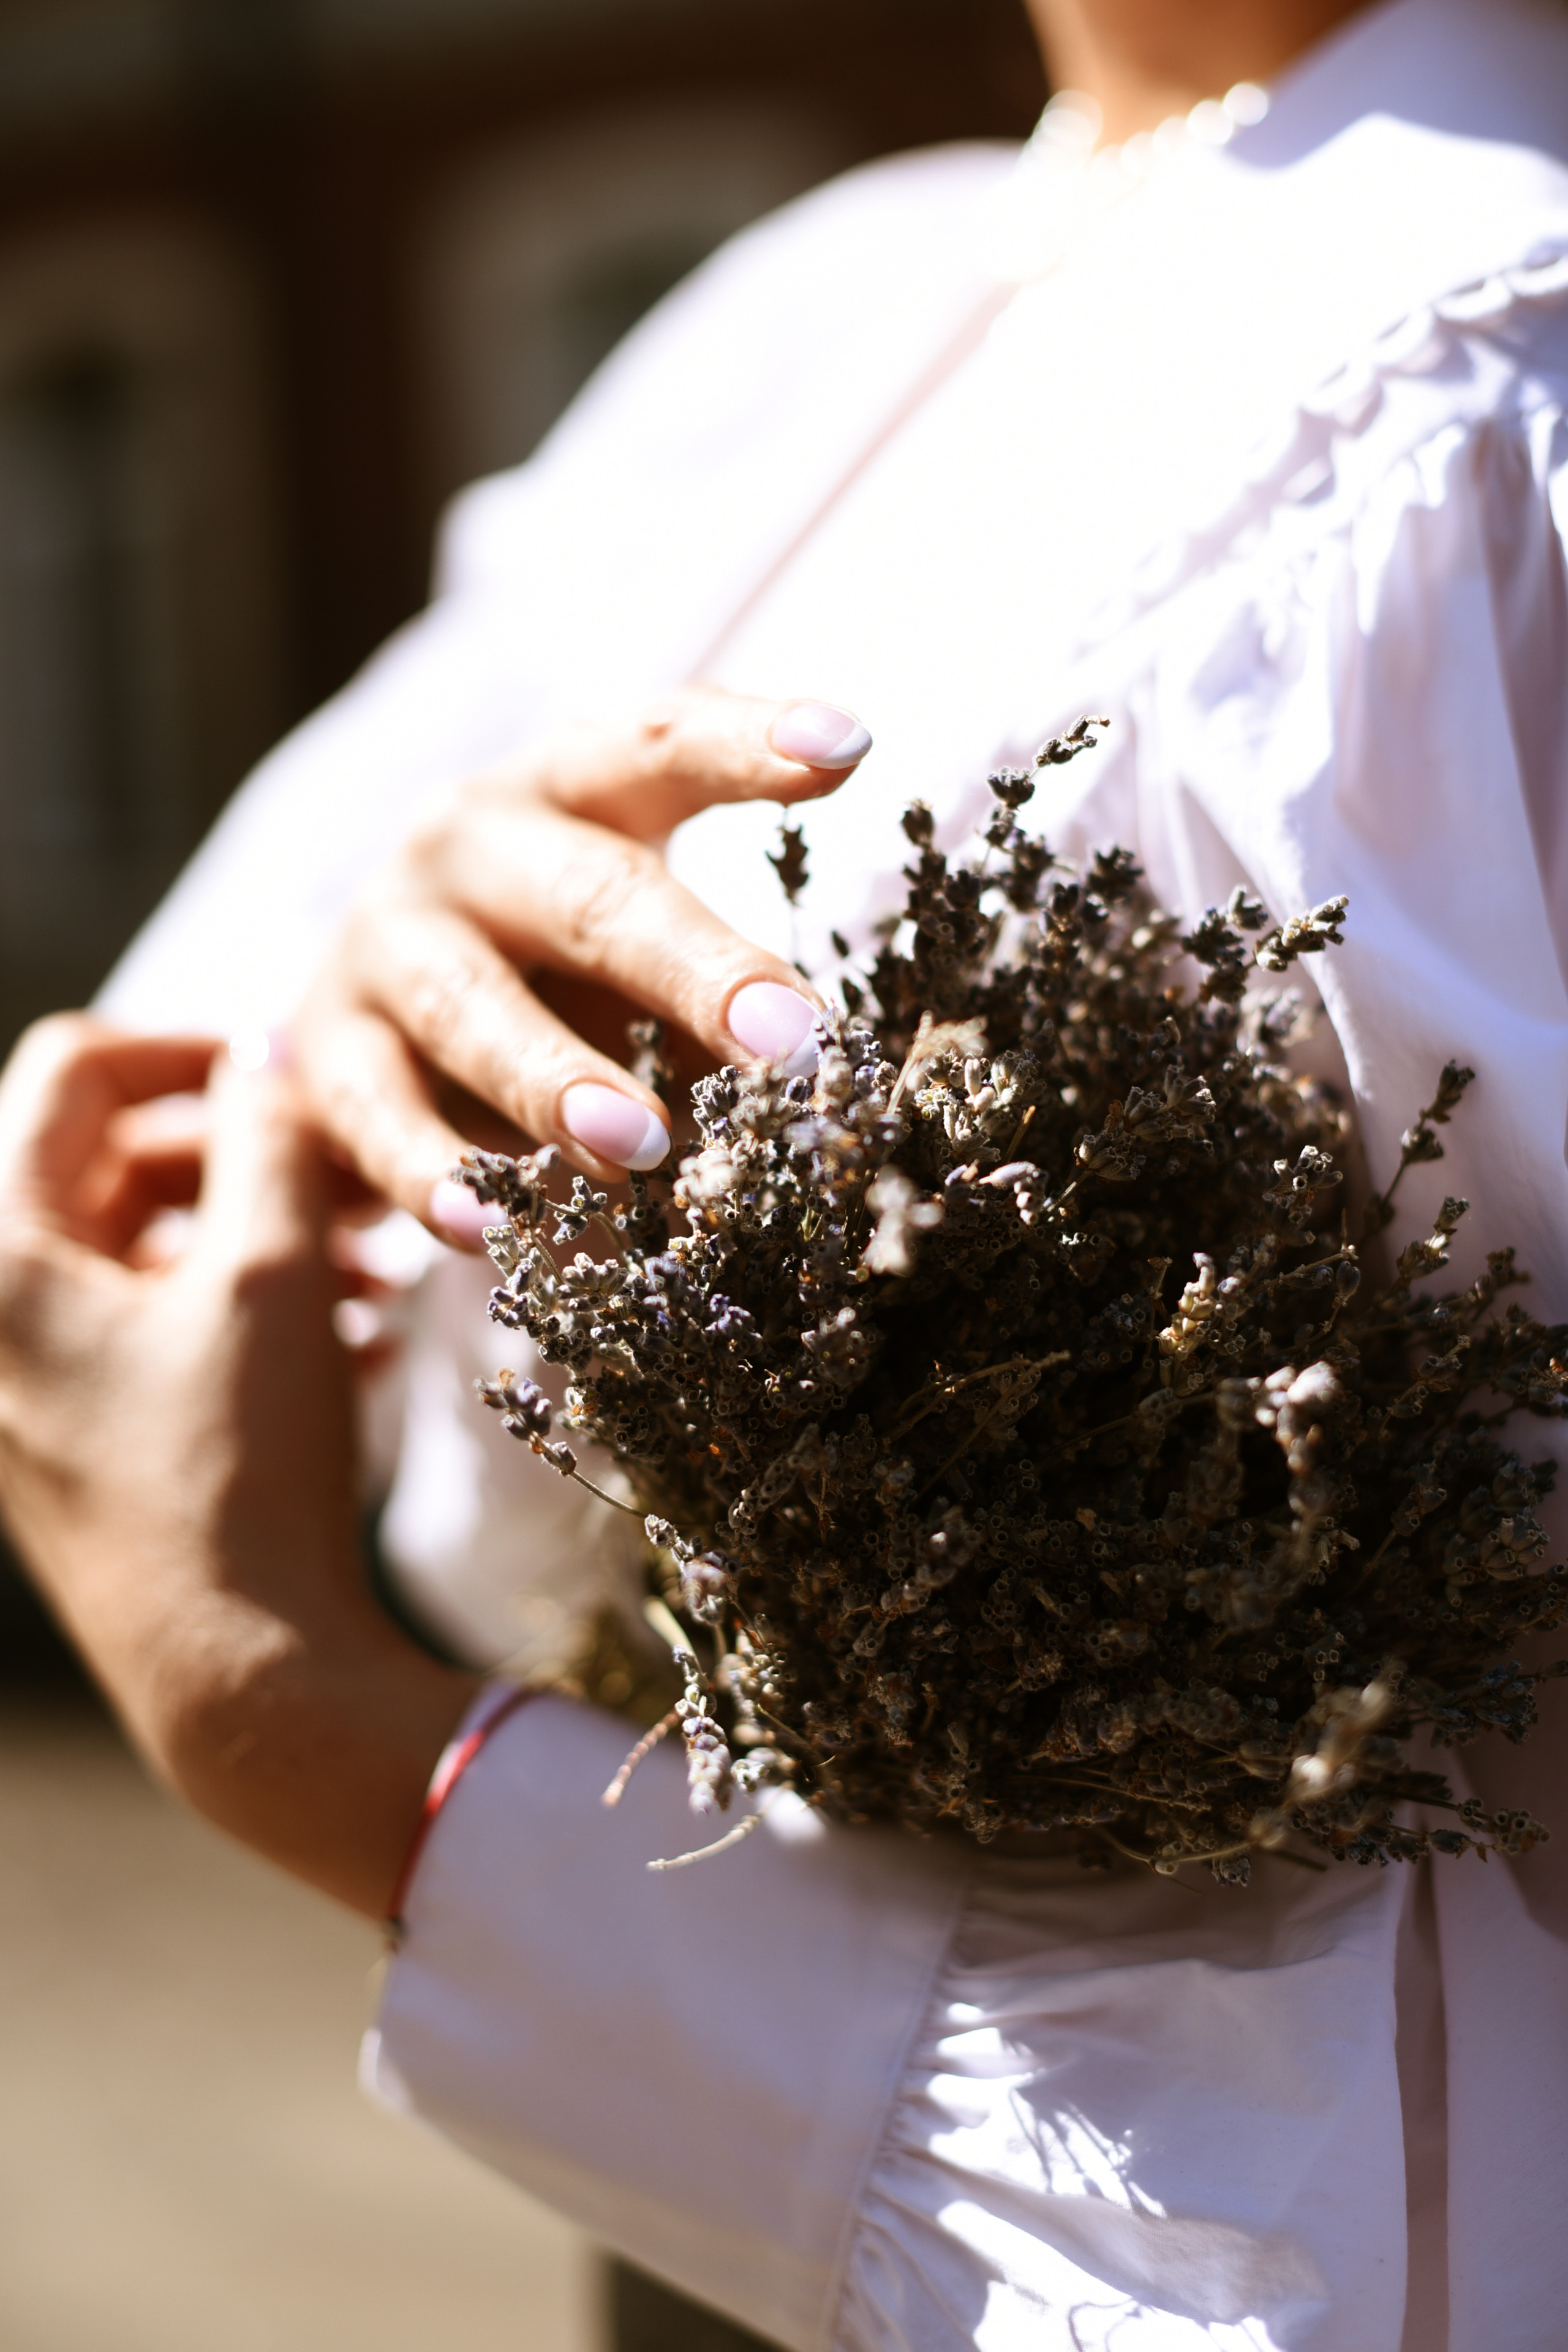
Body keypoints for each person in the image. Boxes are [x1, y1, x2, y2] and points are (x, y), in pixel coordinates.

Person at [3, 0, 1568, 2343]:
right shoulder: (822, 312)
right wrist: (375, 1012)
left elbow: (1403, 2180)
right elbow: (140, 1135)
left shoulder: (1484, 390)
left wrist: (308, 1736)